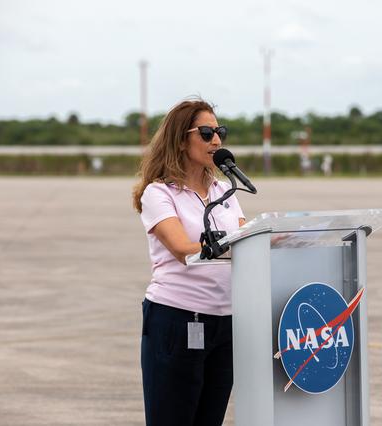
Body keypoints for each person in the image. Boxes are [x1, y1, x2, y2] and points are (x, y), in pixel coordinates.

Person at [132, 98, 246, 426]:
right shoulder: (159, 193)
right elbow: (182, 248)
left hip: (226, 323)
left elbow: (246, 239)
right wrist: (221, 245)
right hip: (177, 320)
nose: (217, 140)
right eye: (207, 133)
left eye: (220, 132)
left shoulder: (224, 191)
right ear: (182, 140)